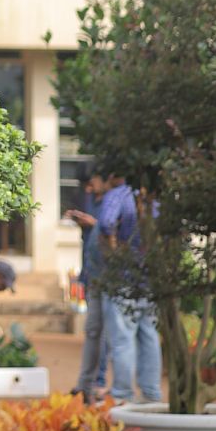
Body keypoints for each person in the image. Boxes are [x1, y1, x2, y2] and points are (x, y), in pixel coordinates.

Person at [93, 173, 163, 403]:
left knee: (123, 338)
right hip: (151, 279)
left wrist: (115, 253)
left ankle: (123, 393)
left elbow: (106, 223)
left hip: (123, 278)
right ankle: (151, 393)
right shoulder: (155, 197)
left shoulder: (119, 195)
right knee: (149, 334)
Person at [65, 170, 112, 398]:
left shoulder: (115, 201)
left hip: (108, 276)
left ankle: (100, 382)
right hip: (91, 273)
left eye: (94, 181)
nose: (90, 187)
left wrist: (93, 223)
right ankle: (86, 383)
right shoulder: (92, 200)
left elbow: (112, 232)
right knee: (93, 330)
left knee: (108, 333)